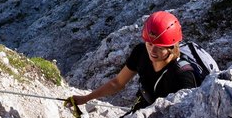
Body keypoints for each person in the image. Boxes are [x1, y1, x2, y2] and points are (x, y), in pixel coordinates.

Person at [69, 11, 197, 110]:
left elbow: (184, 115)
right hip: (143, 106)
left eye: (159, 48)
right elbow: (117, 83)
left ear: (171, 47)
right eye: (150, 44)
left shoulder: (183, 76)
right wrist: (86, 98)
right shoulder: (141, 52)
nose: (152, 51)